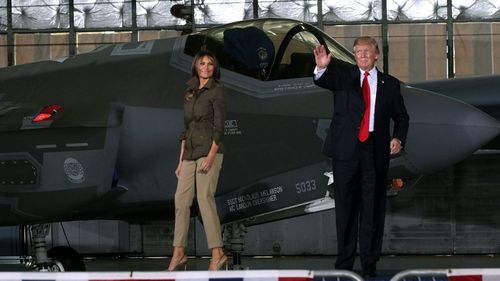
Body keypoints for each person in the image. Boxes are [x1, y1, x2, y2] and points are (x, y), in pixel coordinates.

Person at [313, 37, 409, 277]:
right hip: (346, 151)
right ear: (354, 56)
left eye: (367, 51)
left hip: (375, 151)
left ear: (376, 54)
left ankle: (369, 263)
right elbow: (322, 80)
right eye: (358, 52)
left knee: (373, 209)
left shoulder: (391, 84)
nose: (363, 55)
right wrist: (322, 66)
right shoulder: (343, 75)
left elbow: (401, 116)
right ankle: (344, 265)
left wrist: (398, 137)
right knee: (345, 209)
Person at [167, 50, 227, 271]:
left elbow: (219, 127)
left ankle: (218, 253)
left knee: (204, 198)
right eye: (202, 63)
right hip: (190, 153)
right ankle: (179, 253)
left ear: (214, 68)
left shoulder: (217, 91)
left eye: (210, 64)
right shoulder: (190, 92)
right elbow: (186, 129)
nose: (206, 67)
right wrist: (181, 160)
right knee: (180, 201)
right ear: (196, 66)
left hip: (209, 151)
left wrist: (211, 156)